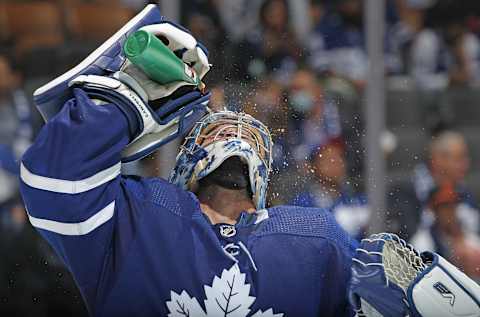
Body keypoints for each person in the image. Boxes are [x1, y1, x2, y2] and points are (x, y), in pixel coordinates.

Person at [19, 5, 480, 317]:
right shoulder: (133, 219)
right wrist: (125, 100)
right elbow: (53, 182)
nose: (236, 138)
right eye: (216, 130)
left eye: (253, 140)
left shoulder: (319, 243)